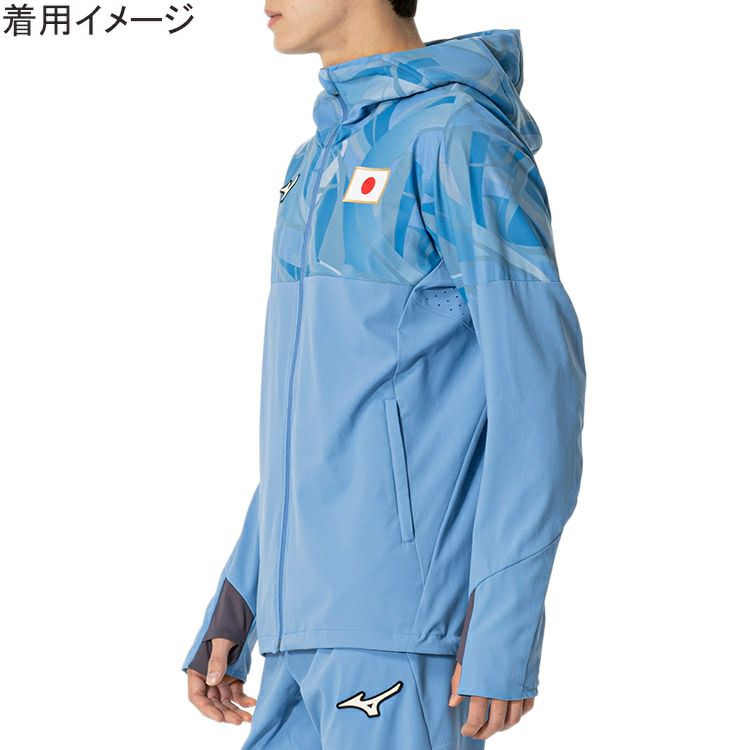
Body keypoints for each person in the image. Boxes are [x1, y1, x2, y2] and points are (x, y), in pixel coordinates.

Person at [181, 1, 586, 747]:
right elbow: (318, 415)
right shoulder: (314, 162)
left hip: (404, 624)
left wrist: (504, 620)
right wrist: (242, 598)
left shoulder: (457, 138)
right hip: (301, 628)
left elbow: (540, 396)